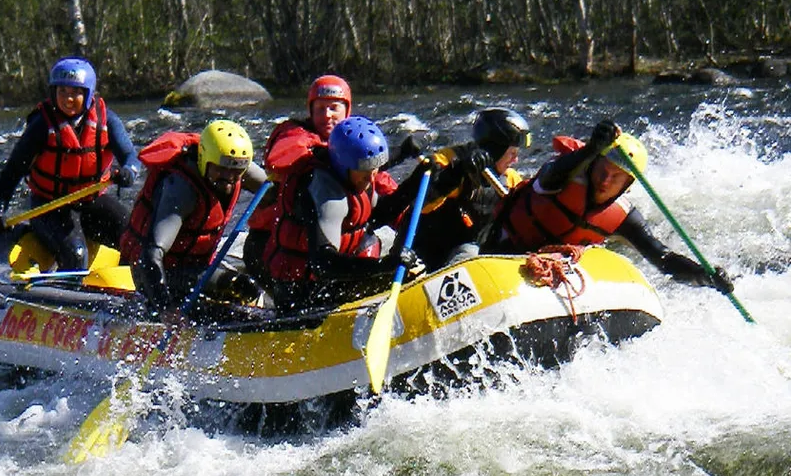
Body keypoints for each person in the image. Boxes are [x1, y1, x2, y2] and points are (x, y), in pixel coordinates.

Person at [483, 119, 734, 292]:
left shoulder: (624, 217)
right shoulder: (562, 176)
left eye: (616, 177)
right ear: (594, 163)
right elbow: (550, 174)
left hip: (550, 273)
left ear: (627, 184)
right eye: (603, 170)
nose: (605, 180)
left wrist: (704, 276)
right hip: (500, 254)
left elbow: (663, 259)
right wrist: (592, 148)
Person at [242, 75, 419, 279]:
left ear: (347, 111)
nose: (327, 115)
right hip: (272, 247)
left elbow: (387, 205)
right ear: (310, 111)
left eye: (334, 108)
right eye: (320, 109)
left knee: (370, 239)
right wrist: (335, 154)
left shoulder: (362, 160)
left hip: (327, 250)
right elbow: (279, 161)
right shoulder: (295, 137)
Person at [262, 116, 432, 312]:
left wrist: (416, 180)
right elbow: (323, 265)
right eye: (365, 171)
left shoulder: (356, 173)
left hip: (327, 280)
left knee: (395, 260)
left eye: (374, 169)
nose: (371, 178)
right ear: (343, 166)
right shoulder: (326, 195)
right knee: (404, 277)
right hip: (301, 294)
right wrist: (382, 265)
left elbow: (376, 216)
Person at [0, 56, 141, 270]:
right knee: (76, 255)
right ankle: (67, 298)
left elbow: (131, 157)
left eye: (76, 93)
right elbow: (12, 172)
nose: (68, 99)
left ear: (88, 95)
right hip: (50, 207)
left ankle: (130, 291)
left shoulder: (108, 121)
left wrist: (128, 173)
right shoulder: (41, 126)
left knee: (134, 240)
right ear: (54, 93)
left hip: (91, 202)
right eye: (63, 92)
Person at [119, 120, 267, 313]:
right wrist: (167, 311)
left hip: (195, 269)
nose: (229, 178)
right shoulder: (182, 191)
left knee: (247, 287)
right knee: (228, 290)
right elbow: (151, 256)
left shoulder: (233, 168)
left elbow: (275, 187)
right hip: (154, 274)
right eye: (221, 170)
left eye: (236, 171)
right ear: (204, 160)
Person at [413, 107, 529, 269]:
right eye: (512, 153)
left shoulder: (510, 179)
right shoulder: (446, 161)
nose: (515, 160)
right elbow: (420, 204)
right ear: (495, 150)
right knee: (470, 251)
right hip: (431, 255)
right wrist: (458, 173)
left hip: (479, 251)